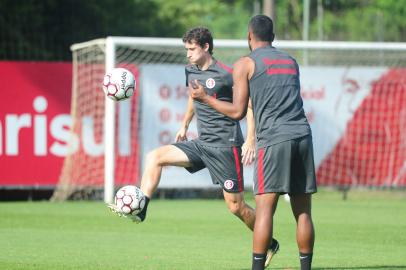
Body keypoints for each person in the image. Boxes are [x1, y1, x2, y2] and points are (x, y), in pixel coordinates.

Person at [109, 26, 280, 266]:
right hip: (202, 143)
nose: (188, 54)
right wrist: (184, 124)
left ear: (206, 47)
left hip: (225, 146)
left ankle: (269, 242)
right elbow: (193, 96)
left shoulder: (227, 74)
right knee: (155, 157)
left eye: (192, 49)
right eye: (186, 49)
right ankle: (141, 207)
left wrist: (250, 139)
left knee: (235, 206)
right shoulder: (190, 70)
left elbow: (248, 107)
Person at [189, 16, 317, 270]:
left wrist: (205, 98)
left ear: (249, 36)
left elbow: (237, 111)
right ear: (273, 35)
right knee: (303, 211)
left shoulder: (245, 63)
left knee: (265, 210)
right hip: (303, 135)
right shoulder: (291, 61)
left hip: (273, 140)